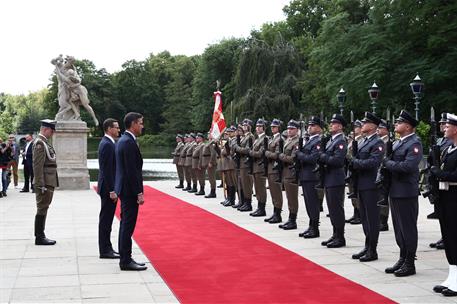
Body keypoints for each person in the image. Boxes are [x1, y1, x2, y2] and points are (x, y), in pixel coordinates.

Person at [384, 110, 422, 277]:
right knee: (399, 229)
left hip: (406, 191)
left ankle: (410, 262)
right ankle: (402, 257)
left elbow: (409, 166)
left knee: (407, 228)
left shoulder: (414, 143)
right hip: (395, 190)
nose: (395, 125)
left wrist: (388, 163)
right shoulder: (399, 143)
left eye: (399, 122)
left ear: (408, 126)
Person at [350, 112, 385, 262]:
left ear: (372, 126)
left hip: (371, 184)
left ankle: (373, 249)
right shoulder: (363, 142)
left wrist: (354, 162)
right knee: (364, 217)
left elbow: (374, 162)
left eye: (365, 123)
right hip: (361, 184)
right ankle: (367, 245)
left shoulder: (377, 143)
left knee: (372, 218)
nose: (362, 125)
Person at [114, 112, 147, 271]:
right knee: (127, 225)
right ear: (133, 124)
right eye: (140, 123)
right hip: (129, 191)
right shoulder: (127, 142)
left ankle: (125, 257)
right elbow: (131, 171)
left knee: (125, 224)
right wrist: (138, 192)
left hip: (125, 189)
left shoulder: (124, 140)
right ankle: (126, 260)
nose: (142, 126)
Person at [430, 112, 457, 297]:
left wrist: (439, 173)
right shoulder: (448, 149)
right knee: (448, 238)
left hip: (455, 197)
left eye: (448, 126)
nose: (444, 128)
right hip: (446, 198)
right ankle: (452, 276)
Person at [319, 114, 348, 248]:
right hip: (329, 177)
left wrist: (323, 157)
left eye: (334, 123)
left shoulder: (341, 141)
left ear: (340, 126)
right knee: (332, 208)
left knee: (337, 208)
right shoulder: (331, 140)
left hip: (336, 178)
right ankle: (335, 233)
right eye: (331, 123)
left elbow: (338, 160)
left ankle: (340, 237)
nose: (331, 125)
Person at [296, 116, 324, 238]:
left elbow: (313, 158)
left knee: (312, 203)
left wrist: (300, 154)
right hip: (305, 175)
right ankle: (311, 225)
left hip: (312, 175)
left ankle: (315, 228)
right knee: (308, 203)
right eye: (309, 125)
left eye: (313, 125)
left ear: (319, 128)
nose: (309, 127)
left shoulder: (317, 141)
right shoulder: (308, 140)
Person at [428, 113, 453, 250]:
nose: (442, 126)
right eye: (441, 124)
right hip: (438, 180)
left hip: (447, 179)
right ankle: (444, 236)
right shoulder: (439, 141)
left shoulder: (450, 142)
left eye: (445, 124)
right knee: (440, 211)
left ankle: (447, 237)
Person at [97, 118, 121, 259]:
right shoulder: (107, 144)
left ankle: (107, 248)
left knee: (107, 220)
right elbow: (106, 170)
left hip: (108, 188)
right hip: (108, 189)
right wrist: (112, 190)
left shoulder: (109, 143)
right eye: (116, 127)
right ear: (108, 129)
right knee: (106, 220)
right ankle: (105, 250)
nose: (118, 130)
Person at [33, 119, 58, 245]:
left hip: (49, 180)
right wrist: (40, 184)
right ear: (45, 129)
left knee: (44, 207)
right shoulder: (40, 144)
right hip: (44, 182)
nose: (52, 133)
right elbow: (38, 167)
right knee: (42, 208)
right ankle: (39, 236)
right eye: (51, 131)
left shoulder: (44, 143)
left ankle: (41, 235)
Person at [278, 120, 300, 230]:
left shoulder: (297, 142)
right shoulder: (288, 140)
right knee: (288, 197)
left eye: (292, 129)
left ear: (297, 130)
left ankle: (293, 220)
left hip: (291, 172)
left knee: (292, 197)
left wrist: (281, 156)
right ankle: (290, 218)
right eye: (288, 128)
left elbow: (293, 158)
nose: (289, 130)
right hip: (285, 172)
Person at [264, 119, 284, 223]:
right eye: (271, 127)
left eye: (274, 127)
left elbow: (277, 154)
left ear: (279, 128)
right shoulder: (272, 139)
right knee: (272, 192)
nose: (272, 128)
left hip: (275, 169)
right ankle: (275, 212)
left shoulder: (280, 139)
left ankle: (278, 214)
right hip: (270, 168)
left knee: (276, 192)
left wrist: (267, 153)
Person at [249, 119, 268, 217]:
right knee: (257, 188)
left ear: (264, 128)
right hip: (255, 166)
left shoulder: (265, 139)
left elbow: (260, 153)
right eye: (257, 126)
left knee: (261, 188)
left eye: (260, 126)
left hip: (260, 167)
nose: (258, 128)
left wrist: (250, 152)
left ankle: (262, 208)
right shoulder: (257, 139)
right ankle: (259, 206)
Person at [235, 119, 255, 211]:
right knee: (243, 184)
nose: (244, 126)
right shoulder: (243, 137)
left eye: (246, 125)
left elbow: (247, 150)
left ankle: (248, 203)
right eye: (243, 125)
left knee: (247, 184)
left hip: (246, 163)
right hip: (242, 163)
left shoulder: (250, 137)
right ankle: (244, 202)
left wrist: (238, 148)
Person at [346, 121, 363, 225]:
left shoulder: (360, 140)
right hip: (350, 168)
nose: (354, 129)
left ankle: (360, 213)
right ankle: (355, 212)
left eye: (357, 127)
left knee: (356, 192)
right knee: (352, 190)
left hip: (356, 168)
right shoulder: (352, 140)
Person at [377, 120, 390, 231]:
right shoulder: (379, 141)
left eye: (381, 128)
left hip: (383, 172)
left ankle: (383, 221)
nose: (378, 129)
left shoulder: (388, 142)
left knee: (383, 197)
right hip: (377, 171)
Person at [220, 126, 237, 206]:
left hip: (231, 164)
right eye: (228, 132)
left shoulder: (234, 140)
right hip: (226, 164)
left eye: (231, 131)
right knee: (228, 182)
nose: (229, 133)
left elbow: (229, 152)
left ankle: (232, 199)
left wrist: (224, 150)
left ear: (234, 132)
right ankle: (229, 198)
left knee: (232, 182)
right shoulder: (229, 140)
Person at [201, 133, 217, 198]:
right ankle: (212, 191)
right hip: (207, 161)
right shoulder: (209, 142)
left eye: (209, 134)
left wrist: (210, 162)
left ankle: (213, 192)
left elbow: (213, 153)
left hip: (211, 162)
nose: (208, 135)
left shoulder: (212, 143)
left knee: (212, 178)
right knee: (210, 178)